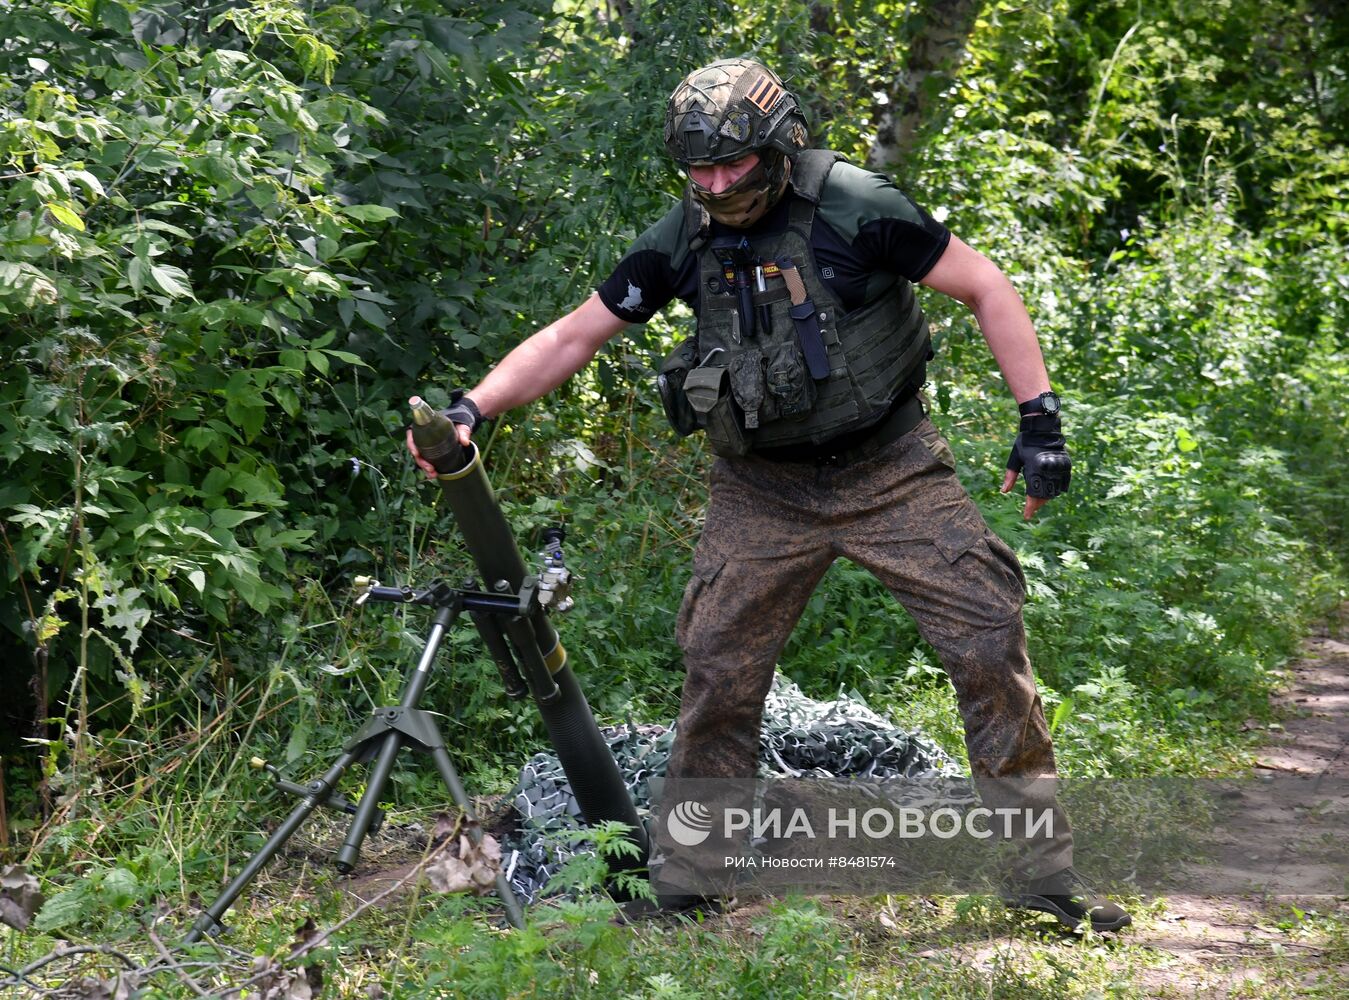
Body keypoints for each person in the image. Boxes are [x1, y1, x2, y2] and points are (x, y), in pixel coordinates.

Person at [408, 57, 1130, 933]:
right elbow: (574, 335)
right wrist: (473, 407)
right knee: (718, 675)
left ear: (778, 146)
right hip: (761, 489)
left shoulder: (857, 205)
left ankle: (1037, 874)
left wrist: (1039, 422)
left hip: (891, 469)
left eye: (731, 167)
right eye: (697, 171)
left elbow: (985, 286)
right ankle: (689, 882)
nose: (713, 186)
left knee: (987, 645)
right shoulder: (686, 233)